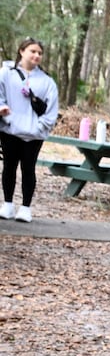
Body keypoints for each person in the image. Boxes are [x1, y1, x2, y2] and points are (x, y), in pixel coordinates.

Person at [0, 37, 60, 223]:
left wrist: (40, 127)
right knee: (9, 167)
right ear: (22, 51)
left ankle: (25, 207)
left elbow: (52, 109)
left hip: (34, 135)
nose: (36, 55)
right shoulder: (6, 74)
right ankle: (8, 205)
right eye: (32, 51)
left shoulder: (47, 81)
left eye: (40, 53)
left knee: (29, 168)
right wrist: (5, 114)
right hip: (10, 131)